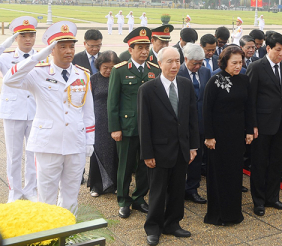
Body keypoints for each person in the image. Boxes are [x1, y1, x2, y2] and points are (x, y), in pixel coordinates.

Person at [3, 21, 94, 212]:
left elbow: (87, 111)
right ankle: (49, 237)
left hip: (75, 142)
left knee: (71, 194)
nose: (68, 51)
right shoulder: (38, 73)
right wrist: (36, 58)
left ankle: (67, 232)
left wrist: (89, 141)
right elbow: (10, 79)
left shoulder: (82, 75)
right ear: (51, 50)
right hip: (47, 144)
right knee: (46, 196)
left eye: (71, 46)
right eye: (62, 47)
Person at [138, 47, 200, 245]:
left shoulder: (185, 84)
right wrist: (147, 153)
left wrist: (193, 146)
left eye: (177, 61)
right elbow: (144, 124)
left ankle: (172, 223)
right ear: (159, 63)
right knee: (157, 192)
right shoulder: (147, 89)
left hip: (181, 148)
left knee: (177, 189)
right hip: (158, 150)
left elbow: (192, 118)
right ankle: (153, 227)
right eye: (169, 62)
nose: (174, 66)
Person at [108, 27, 162, 219]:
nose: (144, 51)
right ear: (130, 50)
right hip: (127, 127)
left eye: (146, 47)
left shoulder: (155, 70)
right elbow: (112, 102)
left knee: (145, 165)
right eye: (139, 47)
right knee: (125, 165)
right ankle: (123, 200)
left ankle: (139, 198)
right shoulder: (120, 71)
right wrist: (115, 128)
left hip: (148, 128)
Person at [203, 46, 254, 225]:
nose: (238, 66)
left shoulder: (244, 80)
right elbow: (206, 110)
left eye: (240, 62)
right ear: (225, 62)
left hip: (237, 134)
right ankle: (217, 214)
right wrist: (208, 136)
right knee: (218, 174)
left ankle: (233, 213)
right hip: (217, 136)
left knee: (234, 174)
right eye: (234, 63)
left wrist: (249, 130)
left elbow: (249, 107)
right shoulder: (214, 81)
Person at [248, 32, 282, 216]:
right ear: (268, 48)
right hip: (262, 124)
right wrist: (253, 125)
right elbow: (250, 99)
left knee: (276, 163)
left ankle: (272, 197)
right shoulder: (257, 67)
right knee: (259, 164)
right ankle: (258, 201)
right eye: (278, 50)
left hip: (281, 124)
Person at [0, 16, 39, 202]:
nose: (28, 39)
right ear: (16, 38)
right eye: (23, 35)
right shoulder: (6, 57)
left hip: (35, 111)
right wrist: (5, 41)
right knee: (14, 155)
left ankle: (31, 190)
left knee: (33, 154)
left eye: (31, 35)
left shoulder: (42, 57)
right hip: (13, 111)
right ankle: (14, 192)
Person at [178, 44, 210, 205]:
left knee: (196, 157)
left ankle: (192, 188)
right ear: (185, 59)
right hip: (182, 123)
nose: (197, 67)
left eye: (200, 63)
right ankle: (177, 189)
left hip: (200, 123)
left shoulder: (205, 72)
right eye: (194, 63)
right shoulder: (177, 71)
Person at [88, 51, 120, 197]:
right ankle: (96, 185)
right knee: (98, 152)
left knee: (115, 152)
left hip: (115, 121)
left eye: (112, 67)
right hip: (98, 121)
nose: (108, 70)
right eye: (105, 67)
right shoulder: (93, 79)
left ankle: (115, 184)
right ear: (99, 65)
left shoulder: (119, 78)